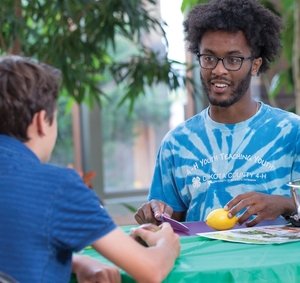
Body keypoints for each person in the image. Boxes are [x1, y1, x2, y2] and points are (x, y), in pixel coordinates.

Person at [134, 0, 300, 228]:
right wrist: (155, 214)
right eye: (209, 58)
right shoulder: (176, 144)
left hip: (277, 264)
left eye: (233, 60)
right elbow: (170, 224)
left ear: (255, 65)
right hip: (206, 264)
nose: (219, 70)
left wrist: (284, 203)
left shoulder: (295, 133)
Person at [0, 56, 180, 283]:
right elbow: (151, 270)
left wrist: (75, 261)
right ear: (41, 121)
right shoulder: (57, 187)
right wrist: (167, 245)